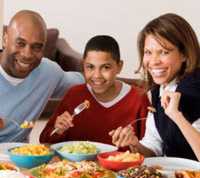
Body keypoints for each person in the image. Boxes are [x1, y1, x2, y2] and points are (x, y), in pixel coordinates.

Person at [111, 13, 200, 161]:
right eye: (148, 52)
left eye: (164, 52)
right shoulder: (159, 89)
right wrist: (134, 144)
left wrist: (177, 116)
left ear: (184, 54)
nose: (154, 61)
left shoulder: (195, 90)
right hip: (173, 177)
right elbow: (154, 147)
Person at [40, 35, 149, 148]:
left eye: (106, 67)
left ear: (119, 66)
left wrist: (135, 144)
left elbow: (151, 150)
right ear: (83, 66)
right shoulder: (74, 94)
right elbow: (44, 140)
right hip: (75, 165)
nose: (97, 75)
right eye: (90, 67)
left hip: (122, 165)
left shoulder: (138, 99)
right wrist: (57, 130)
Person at [0, 10, 84, 142]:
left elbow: (92, 81)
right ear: (5, 39)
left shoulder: (48, 72)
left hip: (21, 158)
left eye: (36, 47)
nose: (27, 54)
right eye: (20, 43)